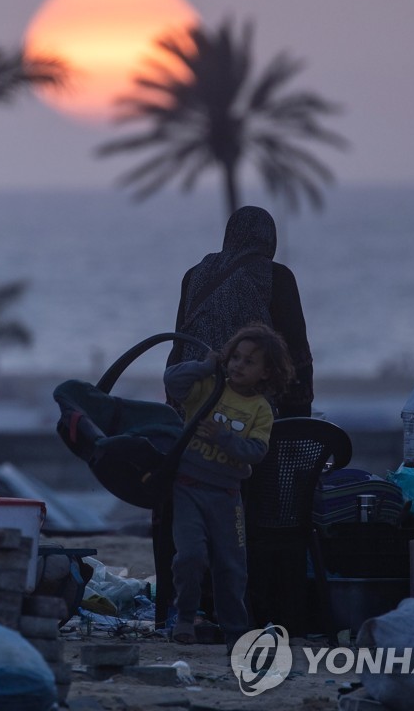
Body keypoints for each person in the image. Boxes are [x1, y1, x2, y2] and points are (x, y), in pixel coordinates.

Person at [162, 323, 293, 649]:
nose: (238, 365)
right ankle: (185, 617)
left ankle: (235, 630)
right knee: (190, 556)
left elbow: (256, 452)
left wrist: (223, 438)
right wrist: (204, 366)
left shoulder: (261, 410)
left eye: (250, 361)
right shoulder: (208, 386)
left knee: (232, 567)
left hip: (227, 496)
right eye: (235, 357)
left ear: (267, 372)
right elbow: (172, 381)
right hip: (188, 488)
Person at [169, 205, 312, 418]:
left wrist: (174, 406)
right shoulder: (276, 276)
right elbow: (294, 350)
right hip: (247, 406)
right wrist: (299, 417)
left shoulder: (195, 274)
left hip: (192, 401)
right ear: (270, 238)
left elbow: (179, 343)